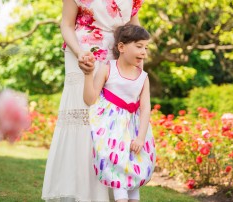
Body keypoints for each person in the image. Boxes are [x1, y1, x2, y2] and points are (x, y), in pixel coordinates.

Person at [41, 0, 145, 201]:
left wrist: (139, 63)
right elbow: (67, 24)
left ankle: (112, 188)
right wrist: (80, 53)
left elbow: (136, 30)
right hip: (83, 53)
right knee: (85, 119)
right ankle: (80, 193)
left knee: (114, 122)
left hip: (119, 54)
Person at [81, 24, 156, 202]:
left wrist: (140, 138)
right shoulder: (108, 69)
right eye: (139, 46)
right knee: (117, 169)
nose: (144, 52)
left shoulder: (143, 77)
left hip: (135, 130)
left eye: (146, 47)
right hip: (111, 129)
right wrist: (88, 75)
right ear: (121, 47)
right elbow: (90, 99)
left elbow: (145, 109)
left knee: (134, 168)